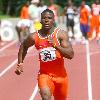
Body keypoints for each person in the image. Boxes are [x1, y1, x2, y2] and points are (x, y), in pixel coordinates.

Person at [15, 9, 74, 100]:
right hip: (45, 75)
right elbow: (24, 46)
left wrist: (55, 45)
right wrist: (20, 63)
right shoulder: (34, 36)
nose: (46, 20)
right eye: (44, 18)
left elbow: (70, 55)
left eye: (49, 18)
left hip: (61, 77)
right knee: (45, 96)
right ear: (40, 20)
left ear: (53, 20)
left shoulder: (60, 34)